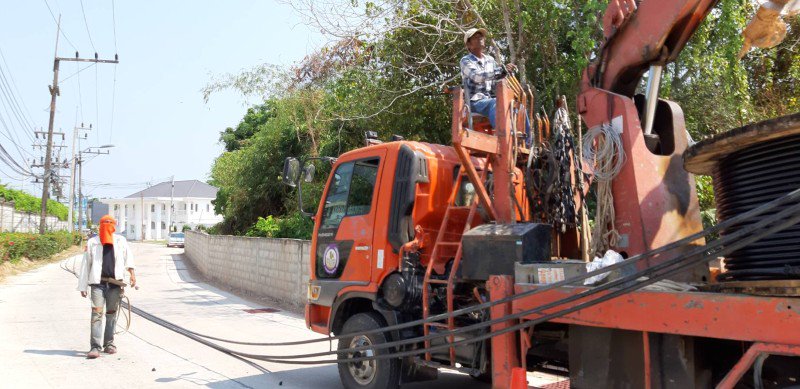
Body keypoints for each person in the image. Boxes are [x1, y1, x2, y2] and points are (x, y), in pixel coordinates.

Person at [77, 214, 136, 359]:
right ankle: (95, 347)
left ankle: (109, 343)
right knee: (96, 314)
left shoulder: (120, 241)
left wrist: (132, 275)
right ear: (100, 225)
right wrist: (83, 286)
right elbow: (86, 265)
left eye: (110, 223)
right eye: (104, 223)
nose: (107, 225)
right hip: (98, 284)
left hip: (115, 284)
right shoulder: (93, 242)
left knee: (111, 314)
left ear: (114, 226)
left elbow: (129, 259)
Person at [460, 28, 530, 142]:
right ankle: (504, 138)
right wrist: (500, 71)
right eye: (476, 37)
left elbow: (494, 83)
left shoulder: (490, 60)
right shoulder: (466, 60)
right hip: (474, 102)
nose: (480, 39)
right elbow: (477, 76)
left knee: (519, 107)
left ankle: (527, 144)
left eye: (481, 36)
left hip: (488, 100)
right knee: (496, 103)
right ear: (469, 44)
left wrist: (506, 73)